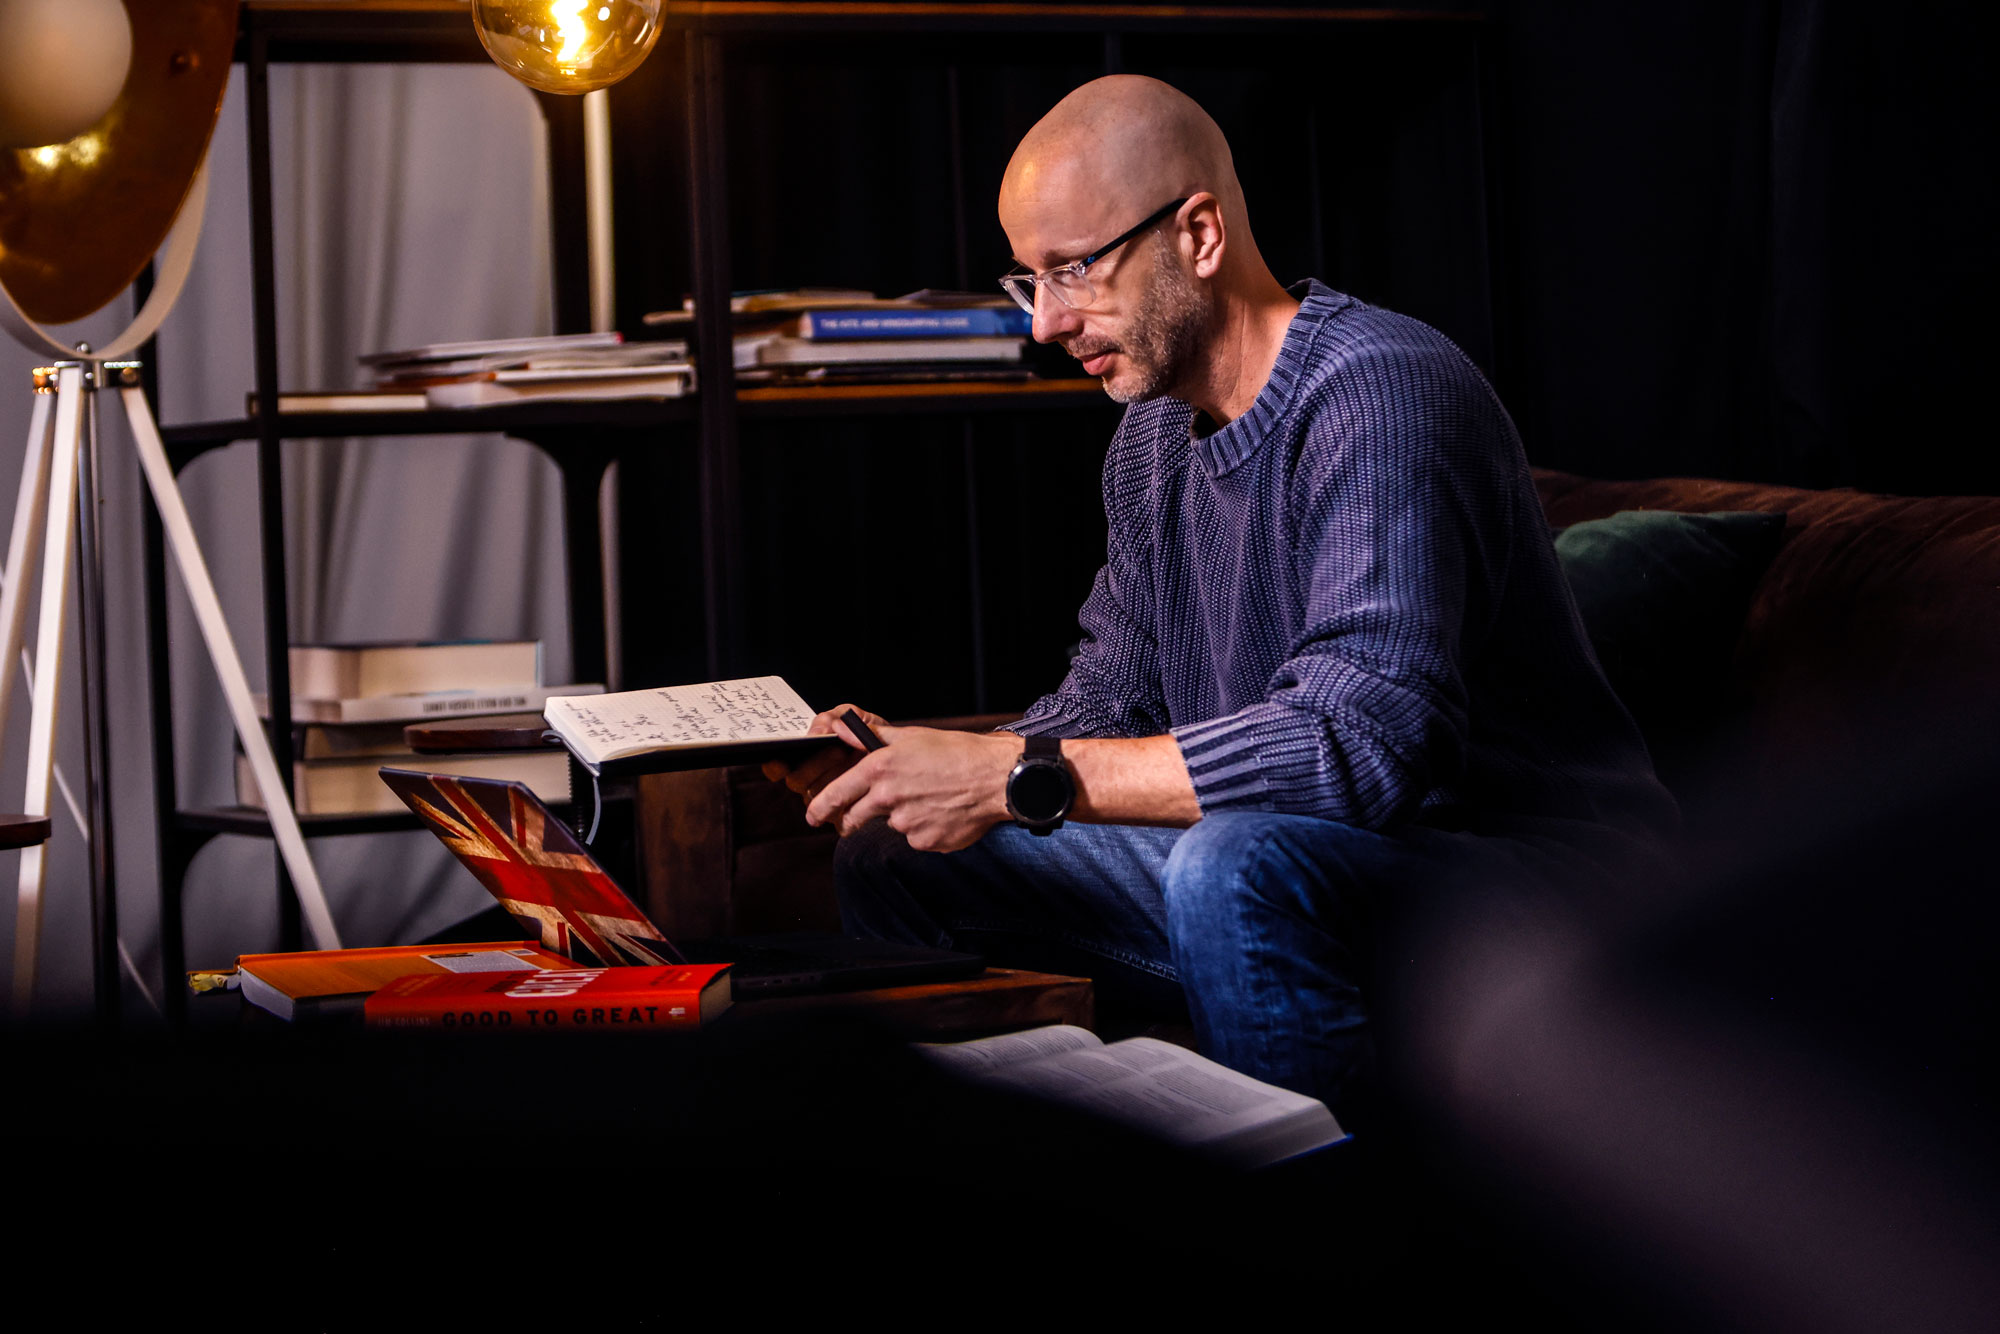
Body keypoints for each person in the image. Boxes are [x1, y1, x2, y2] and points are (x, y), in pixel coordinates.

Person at [768, 75, 1673, 1113]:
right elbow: (1111, 693)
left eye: (1071, 271)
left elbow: (1363, 745)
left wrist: (1012, 771)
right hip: (1299, 862)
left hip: (1527, 884)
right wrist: (921, 767)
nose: (1045, 324)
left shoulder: (1377, 388)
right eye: (1029, 281)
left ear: (1196, 232)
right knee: (897, 855)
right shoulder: (1149, 438)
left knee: (1230, 868)